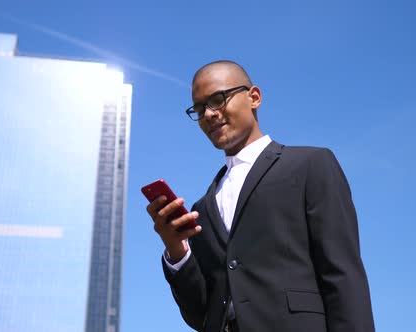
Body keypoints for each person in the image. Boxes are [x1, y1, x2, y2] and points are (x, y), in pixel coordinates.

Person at [146, 60, 375, 332]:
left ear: (254, 97)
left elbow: (343, 275)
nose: (208, 114)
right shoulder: (202, 210)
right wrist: (176, 250)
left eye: (218, 100)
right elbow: (201, 316)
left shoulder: (310, 165)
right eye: (199, 108)